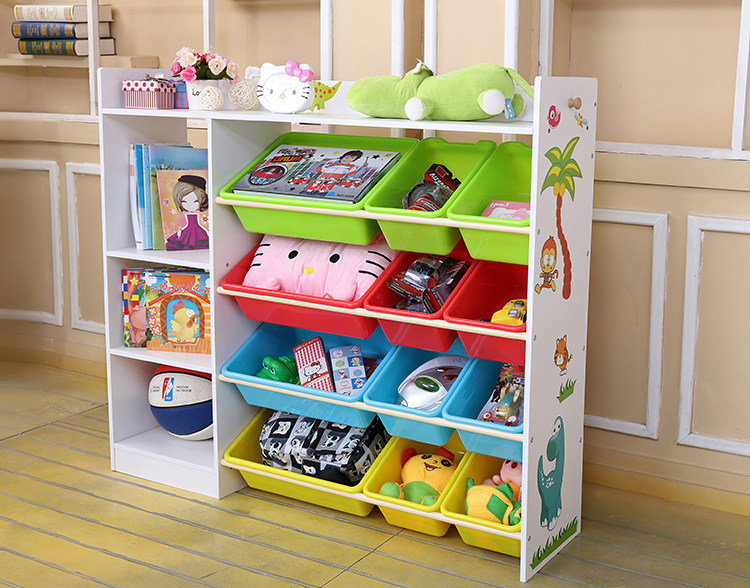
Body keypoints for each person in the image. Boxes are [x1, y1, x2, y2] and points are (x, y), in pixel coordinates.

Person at [165, 174, 209, 250]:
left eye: (196, 201)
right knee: (185, 243)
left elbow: (198, 224)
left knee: (200, 243)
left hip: (198, 230)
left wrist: (206, 231)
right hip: (187, 230)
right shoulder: (187, 215)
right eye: (184, 201)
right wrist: (181, 231)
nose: (190, 205)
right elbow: (187, 224)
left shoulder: (197, 214)